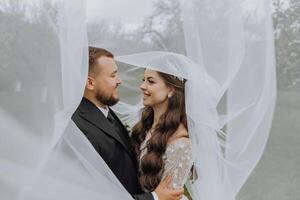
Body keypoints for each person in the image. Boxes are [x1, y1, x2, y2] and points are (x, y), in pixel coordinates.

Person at [72, 47, 184, 200]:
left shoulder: (105, 111)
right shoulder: (78, 128)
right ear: (90, 83)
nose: (119, 81)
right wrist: (154, 198)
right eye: (113, 75)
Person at [131, 69, 193, 200]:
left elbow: (169, 196)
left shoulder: (180, 144)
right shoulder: (143, 126)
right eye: (144, 80)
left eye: (151, 81)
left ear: (171, 90)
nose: (142, 86)